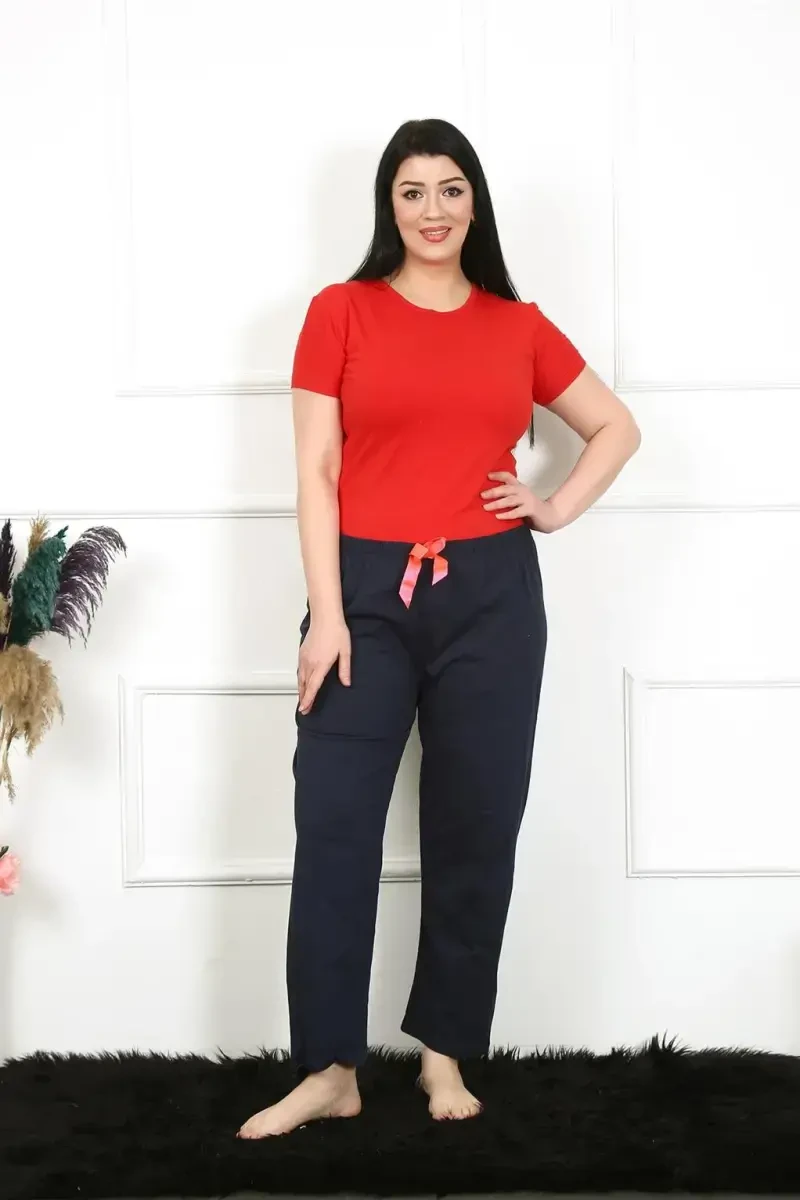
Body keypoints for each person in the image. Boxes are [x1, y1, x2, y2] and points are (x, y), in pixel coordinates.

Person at [238, 117, 641, 1139]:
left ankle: (443, 1052)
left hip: (492, 596)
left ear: (474, 204)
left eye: (450, 189)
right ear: (389, 205)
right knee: (334, 827)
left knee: (474, 829)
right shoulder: (339, 312)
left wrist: (551, 506)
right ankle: (329, 1067)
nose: (431, 209)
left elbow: (616, 427)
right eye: (411, 190)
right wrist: (327, 616)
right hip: (366, 593)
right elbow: (316, 472)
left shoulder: (518, 324)